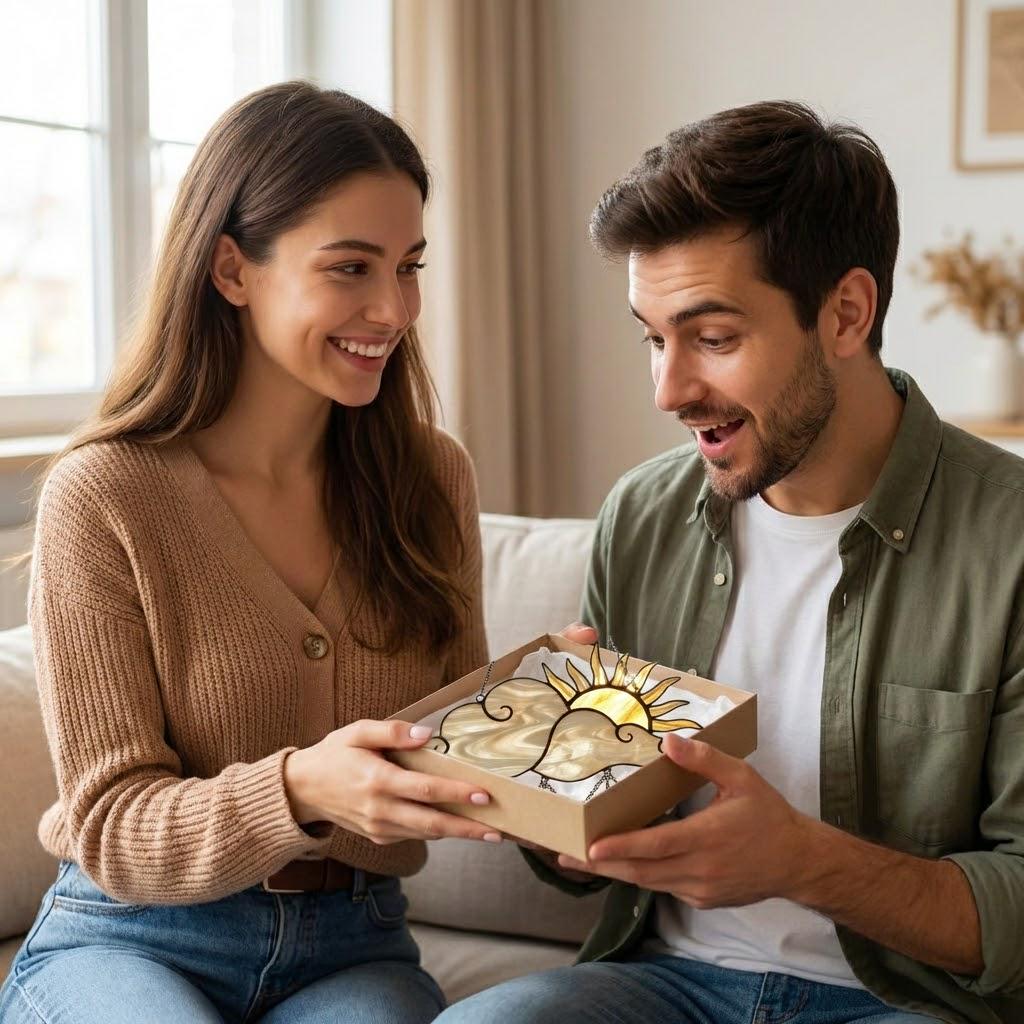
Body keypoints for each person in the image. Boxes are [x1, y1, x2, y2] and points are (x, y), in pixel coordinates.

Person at [437, 102, 1024, 1023]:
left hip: (905, 1002)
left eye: (713, 339)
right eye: (652, 337)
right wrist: (553, 787)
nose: (669, 390)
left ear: (846, 312)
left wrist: (802, 860)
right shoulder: (642, 514)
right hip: (659, 981)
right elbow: (588, 867)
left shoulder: (1011, 543)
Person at [0, 82, 502, 1024]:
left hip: (354, 947)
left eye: (409, 266)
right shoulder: (105, 494)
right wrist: (302, 785)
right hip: (130, 937)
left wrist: (553, 717)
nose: (393, 309)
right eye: (350, 267)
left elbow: (450, 753)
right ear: (233, 270)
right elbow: (109, 823)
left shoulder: (433, 480)